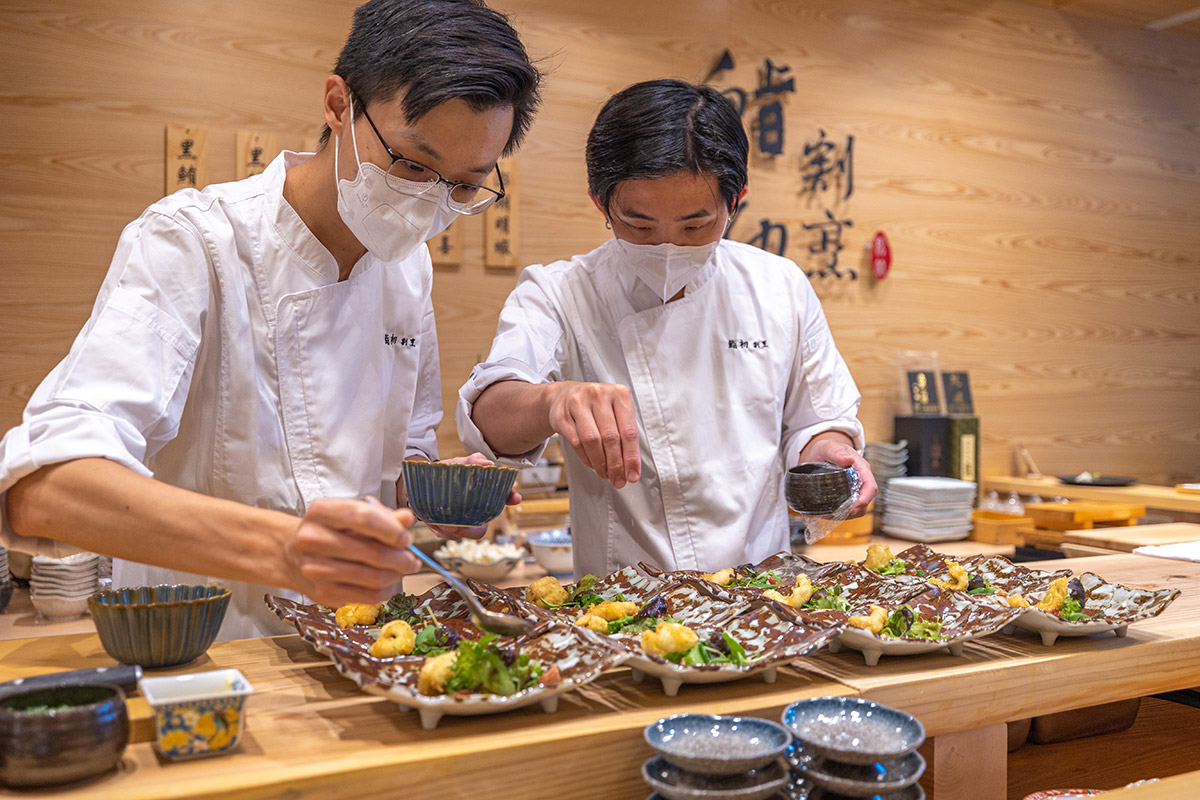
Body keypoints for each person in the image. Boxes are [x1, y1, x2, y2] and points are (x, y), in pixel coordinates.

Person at [0, 0, 542, 639]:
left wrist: (432, 496)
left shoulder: (407, 270)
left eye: (461, 186)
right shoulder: (194, 241)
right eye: (413, 165)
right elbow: (45, 487)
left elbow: (393, 468)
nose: (429, 202)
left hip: (367, 650)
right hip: (208, 655)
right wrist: (284, 548)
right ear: (339, 104)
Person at [457, 79, 875, 578]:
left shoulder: (777, 285)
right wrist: (552, 401)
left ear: (735, 201)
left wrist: (828, 447)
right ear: (601, 203)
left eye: (695, 226)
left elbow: (815, 417)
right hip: (624, 607)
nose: (667, 247)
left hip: (767, 599)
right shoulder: (560, 292)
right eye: (639, 226)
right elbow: (490, 412)